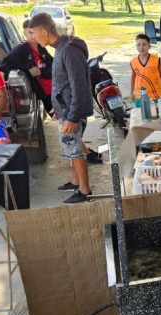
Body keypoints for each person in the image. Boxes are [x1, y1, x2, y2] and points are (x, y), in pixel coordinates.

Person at [1, 20, 102, 164]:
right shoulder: (22, 49)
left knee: (70, 132)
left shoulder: (50, 49)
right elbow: (6, 64)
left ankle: (84, 160)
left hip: (57, 93)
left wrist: (40, 71)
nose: (33, 36)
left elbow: (56, 71)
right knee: (69, 133)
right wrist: (27, 71)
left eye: (34, 32)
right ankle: (84, 159)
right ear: (24, 33)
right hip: (47, 93)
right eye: (30, 33)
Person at [29, 12, 94, 204]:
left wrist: (72, 117)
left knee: (75, 150)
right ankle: (76, 182)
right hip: (65, 111)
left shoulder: (69, 50)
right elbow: (62, 84)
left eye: (33, 33)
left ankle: (84, 190)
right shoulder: (60, 47)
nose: (33, 37)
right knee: (71, 148)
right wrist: (57, 108)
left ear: (44, 31)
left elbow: (79, 86)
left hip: (71, 113)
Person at [130, 34, 161, 105]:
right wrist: (132, 92)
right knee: (141, 115)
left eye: (144, 44)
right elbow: (133, 76)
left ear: (149, 46)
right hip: (140, 97)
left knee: (157, 115)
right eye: (138, 45)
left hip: (156, 97)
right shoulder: (133, 61)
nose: (141, 47)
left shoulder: (156, 60)